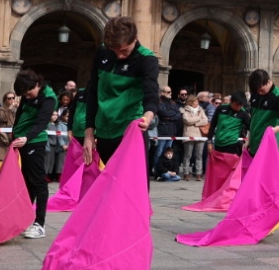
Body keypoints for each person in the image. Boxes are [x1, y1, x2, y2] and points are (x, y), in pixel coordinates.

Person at [83, 16, 160, 165]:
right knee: (104, 186)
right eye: (115, 51)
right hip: (104, 131)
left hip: (130, 131)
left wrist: (148, 115)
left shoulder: (147, 59)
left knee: (132, 186)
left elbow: (151, 92)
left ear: (135, 39)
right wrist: (89, 133)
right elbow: (92, 92)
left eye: (124, 50)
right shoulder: (103, 52)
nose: (119, 55)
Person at [10, 68, 55, 238]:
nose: (27, 97)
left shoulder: (48, 98)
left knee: (38, 182)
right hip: (22, 140)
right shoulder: (27, 93)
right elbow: (20, 113)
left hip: (34, 142)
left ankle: (39, 224)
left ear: (37, 84)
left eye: (29, 94)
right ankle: (24, 217)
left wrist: (27, 138)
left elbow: (41, 123)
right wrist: (14, 132)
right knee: (27, 182)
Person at [243, 69, 279, 159]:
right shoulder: (255, 93)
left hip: (269, 146)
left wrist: (273, 130)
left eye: (261, 90)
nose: (259, 93)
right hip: (254, 145)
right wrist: (249, 138)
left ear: (268, 82)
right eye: (257, 91)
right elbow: (253, 119)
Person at [179, 91, 209, 178]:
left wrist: (195, 122)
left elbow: (205, 120)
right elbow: (187, 121)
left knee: (199, 155)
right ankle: (186, 172)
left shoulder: (201, 110)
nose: (197, 103)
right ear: (191, 102)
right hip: (189, 134)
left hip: (200, 135)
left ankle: (198, 173)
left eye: (197, 101)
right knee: (188, 155)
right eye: (195, 101)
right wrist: (199, 118)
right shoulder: (184, 110)